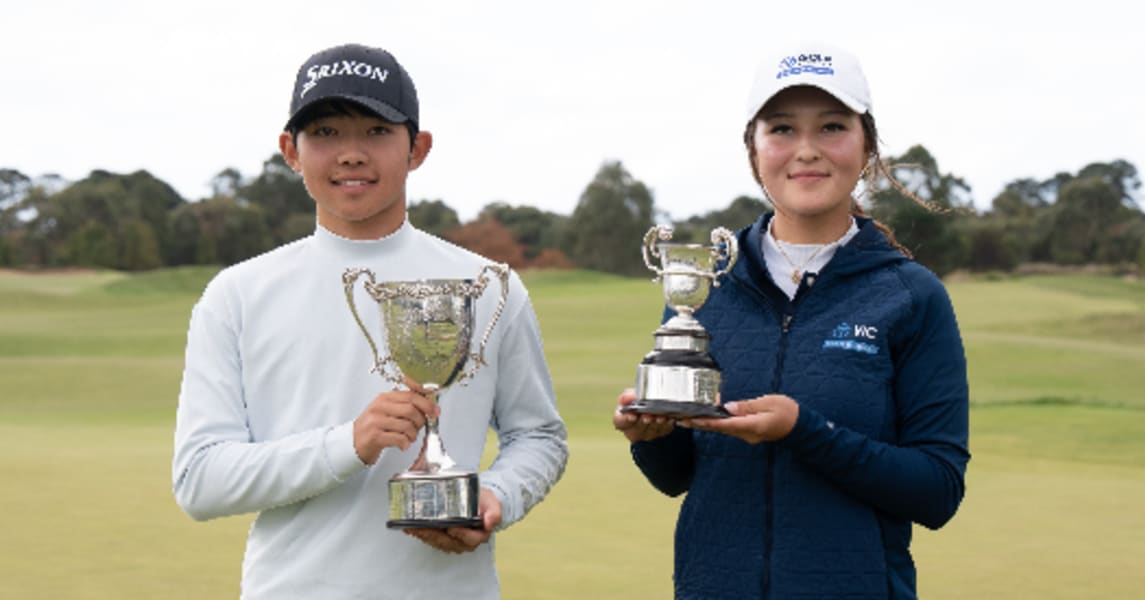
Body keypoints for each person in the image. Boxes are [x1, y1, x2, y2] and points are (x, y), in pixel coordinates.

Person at [172, 43, 568, 599]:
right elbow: (200, 480)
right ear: (290, 150)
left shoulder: (488, 286)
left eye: (377, 131)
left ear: (418, 149)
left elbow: (539, 436)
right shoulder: (236, 295)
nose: (352, 154)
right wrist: (349, 443)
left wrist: (497, 495)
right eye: (325, 132)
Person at [613, 42, 970, 599]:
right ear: (753, 149)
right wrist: (651, 437)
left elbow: (937, 492)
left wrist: (807, 432)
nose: (806, 150)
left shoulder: (911, 295)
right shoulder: (708, 283)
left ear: (867, 146)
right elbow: (676, 478)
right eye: (782, 128)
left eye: (832, 127)